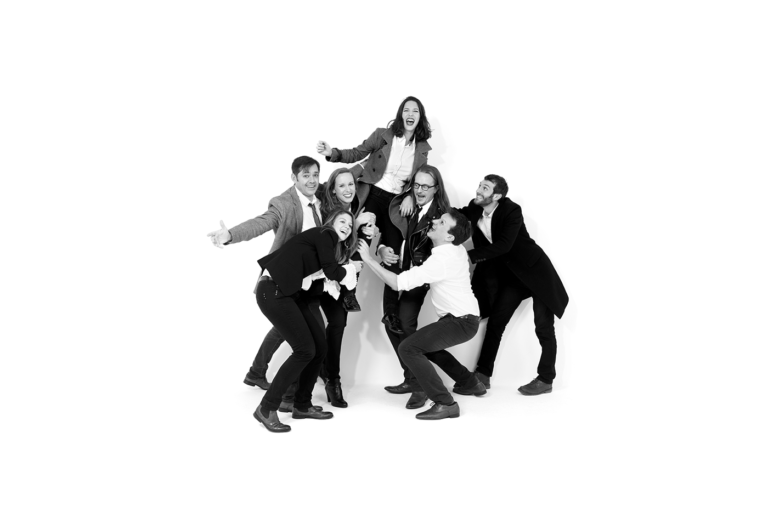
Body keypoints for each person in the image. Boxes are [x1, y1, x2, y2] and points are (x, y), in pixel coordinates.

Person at [207, 156, 337, 403]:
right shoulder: (283, 203)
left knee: (285, 329)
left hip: (310, 280)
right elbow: (261, 223)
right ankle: (292, 395)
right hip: (286, 279)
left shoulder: (321, 195)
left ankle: (257, 372)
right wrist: (230, 234)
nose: (312, 180)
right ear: (294, 178)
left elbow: (347, 177)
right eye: (305, 175)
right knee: (310, 339)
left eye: (315, 175)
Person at [316, 96, 432, 334]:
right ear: (400, 114)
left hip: (396, 202)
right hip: (373, 195)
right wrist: (332, 153)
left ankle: (390, 313)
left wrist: (411, 195)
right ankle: (349, 292)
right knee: (362, 240)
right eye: (406, 110)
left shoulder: (422, 148)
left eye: (415, 111)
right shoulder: (383, 135)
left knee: (393, 254)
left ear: (420, 117)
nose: (410, 114)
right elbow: (357, 152)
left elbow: (419, 179)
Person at [358, 209, 486, 420]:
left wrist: (368, 259)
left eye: (442, 222)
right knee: (426, 348)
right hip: (464, 318)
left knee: (408, 348)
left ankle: (445, 403)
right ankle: (470, 383)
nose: (434, 221)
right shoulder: (456, 249)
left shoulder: (442, 259)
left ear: (449, 236)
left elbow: (397, 283)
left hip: (461, 321)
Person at [377, 165, 479, 411]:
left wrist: (369, 260)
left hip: (419, 276)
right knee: (391, 322)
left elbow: (442, 254)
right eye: (416, 185)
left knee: (406, 326)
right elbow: (389, 234)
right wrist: (381, 250)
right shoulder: (401, 204)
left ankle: (420, 385)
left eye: (426, 186)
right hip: (395, 270)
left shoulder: (441, 218)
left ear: (436, 189)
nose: (420, 190)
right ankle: (431, 379)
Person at [456, 175, 569, 395]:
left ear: (496, 196)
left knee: (543, 327)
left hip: (536, 273)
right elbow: (458, 214)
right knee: (496, 323)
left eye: (485, 188)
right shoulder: (476, 207)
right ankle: (482, 375)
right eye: (480, 185)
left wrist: (468, 256)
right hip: (514, 277)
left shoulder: (511, 210)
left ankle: (546, 379)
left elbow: (503, 246)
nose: (478, 190)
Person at [251, 209, 361, 432]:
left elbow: (315, 281)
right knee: (304, 350)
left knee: (319, 347)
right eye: (342, 221)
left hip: (289, 294)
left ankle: (302, 404)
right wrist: (352, 268)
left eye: (350, 226)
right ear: (331, 222)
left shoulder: (324, 247)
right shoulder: (325, 234)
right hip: (273, 291)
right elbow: (333, 272)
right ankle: (266, 408)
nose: (347, 227)